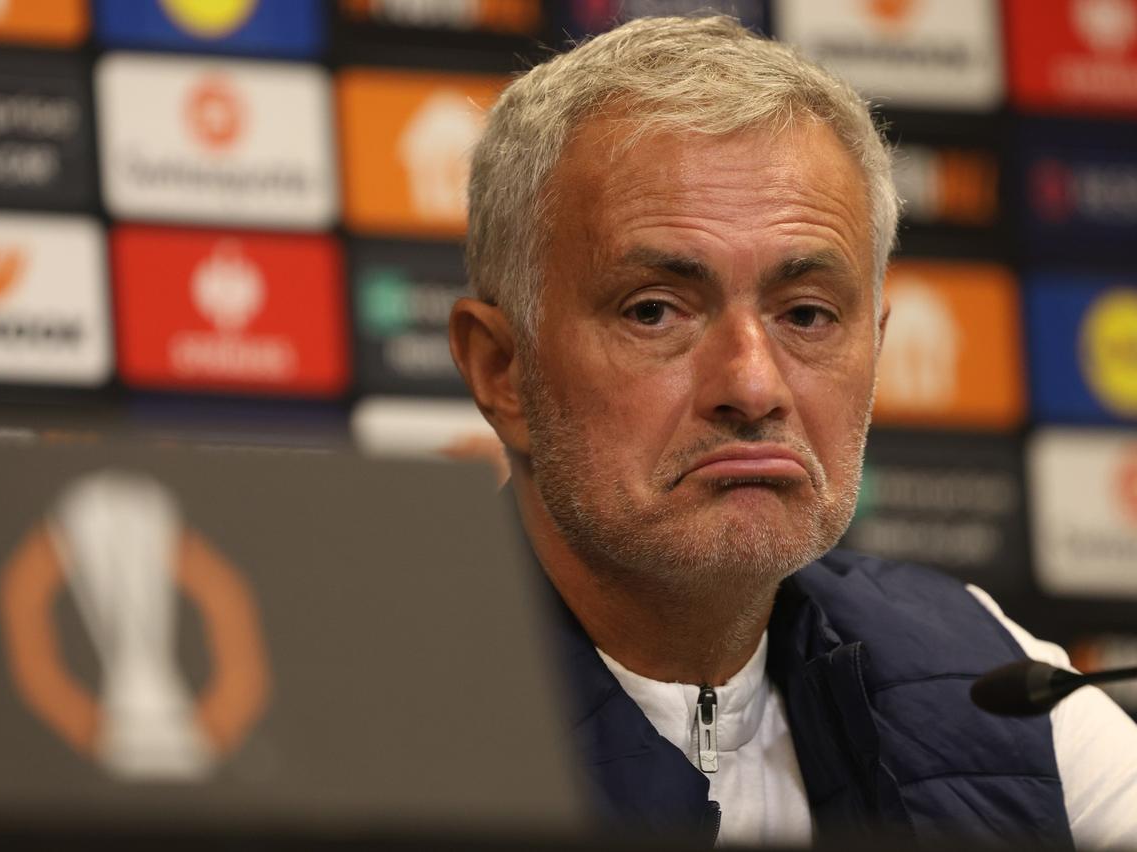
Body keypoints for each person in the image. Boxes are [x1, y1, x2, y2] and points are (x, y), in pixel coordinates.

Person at [447, 15, 1137, 848]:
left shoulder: (991, 679)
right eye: (655, 311)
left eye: (806, 315)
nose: (752, 386)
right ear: (501, 369)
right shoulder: (350, 705)